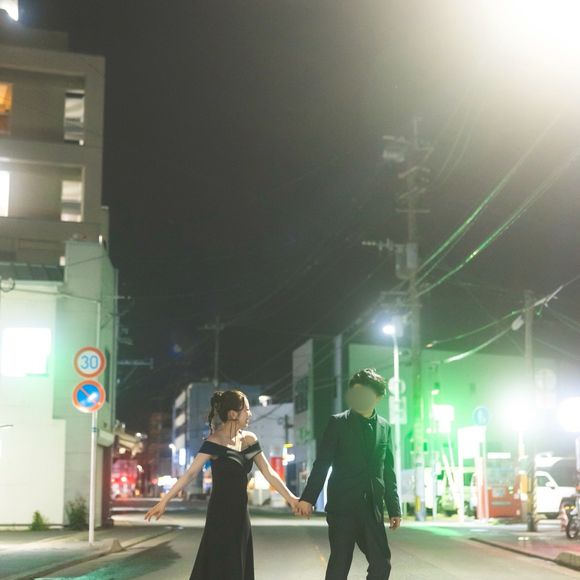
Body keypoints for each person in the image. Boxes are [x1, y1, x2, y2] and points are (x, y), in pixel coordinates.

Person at [144, 389, 300, 579]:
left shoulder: (249, 440)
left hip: (241, 513)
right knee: (219, 565)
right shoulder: (214, 442)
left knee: (238, 563)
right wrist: (164, 501)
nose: (250, 414)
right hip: (219, 514)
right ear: (233, 414)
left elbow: (269, 472)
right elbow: (190, 473)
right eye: (246, 410)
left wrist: (292, 499)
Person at [295, 368, 401, 580]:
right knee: (340, 564)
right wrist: (308, 498)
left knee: (381, 564)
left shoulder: (385, 427)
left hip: (372, 508)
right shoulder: (338, 423)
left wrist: (394, 507)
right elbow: (322, 463)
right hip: (342, 507)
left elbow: (388, 471)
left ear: (378, 397)